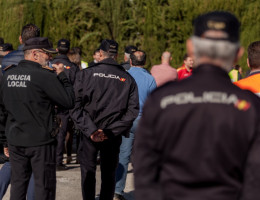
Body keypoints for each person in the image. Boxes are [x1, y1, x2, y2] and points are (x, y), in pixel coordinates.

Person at [133, 11, 260, 200]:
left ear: (191, 48)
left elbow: (144, 172)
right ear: (238, 55)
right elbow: (254, 180)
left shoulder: (161, 101)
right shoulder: (249, 107)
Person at [0, 37, 75, 200]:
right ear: (34, 54)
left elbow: (2, 112)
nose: (50, 58)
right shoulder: (44, 76)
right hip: (40, 143)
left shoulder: (7, 75)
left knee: (18, 186)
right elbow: (69, 101)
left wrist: (4, 140)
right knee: (43, 187)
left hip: (16, 140)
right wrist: (62, 76)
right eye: (47, 54)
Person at [70, 39, 139, 200]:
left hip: (91, 133)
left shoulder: (86, 74)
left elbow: (74, 105)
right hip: (110, 135)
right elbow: (132, 111)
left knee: (88, 171)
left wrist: (91, 130)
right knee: (109, 173)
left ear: (100, 53)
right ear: (116, 56)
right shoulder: (127, 78)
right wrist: (110, 131)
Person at [114, 50, 156, 200]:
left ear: (130, 61)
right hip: (143, 121)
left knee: (123, 156)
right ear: (145, 62)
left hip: (126, 120)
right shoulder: (150, 79)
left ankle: (118, 191)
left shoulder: (124, 76)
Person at [52, 39, 79, 170]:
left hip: (51, 103)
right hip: (66, 105)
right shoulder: (73, 67)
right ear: (68, 51)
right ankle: (57, 162)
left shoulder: (50, 64)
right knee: (62, 133)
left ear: (56, 49)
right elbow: (77, 87)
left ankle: (52, 160)